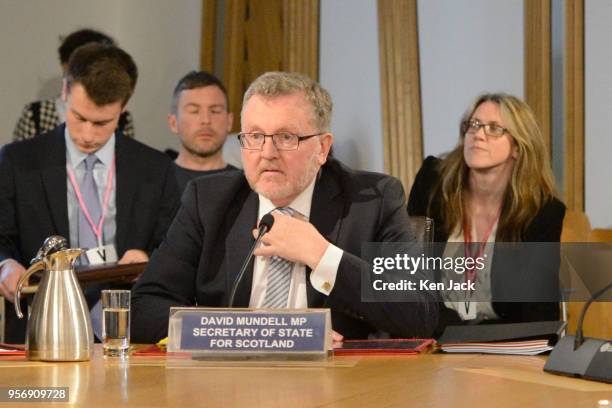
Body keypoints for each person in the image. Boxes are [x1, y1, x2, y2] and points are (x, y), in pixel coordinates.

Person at [131, 71, 438, 343]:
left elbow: (420, 315)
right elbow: (144, 307)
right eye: (255, 136)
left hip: (339, 383)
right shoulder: (209, 201)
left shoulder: (373, 200)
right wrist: (253, 332)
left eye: (286, 137)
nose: (267, 153)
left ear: (322, 147)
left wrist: (322, 255)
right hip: (228, 384)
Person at [0, 43, 180, 342]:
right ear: (65, 93)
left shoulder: (155, 168)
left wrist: (147, 258)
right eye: (79, 117)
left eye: (101, 123)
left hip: (128, 326)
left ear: (123, 107)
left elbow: (175, 245)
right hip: (42, 322)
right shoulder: (18, 162)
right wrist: (5, 265)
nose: (87, 135)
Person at [408, 93, 565, 334]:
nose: (478, 135)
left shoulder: (541, 213)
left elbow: (539, 316)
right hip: (433, 338)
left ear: (517, 146)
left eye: (494, 129)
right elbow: (408, 280)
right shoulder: (433, 185)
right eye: (474, 125)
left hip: (502, 347)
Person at [13, 28, 135, 141]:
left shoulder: (122, 118)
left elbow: (126, 160)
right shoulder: (36, 115)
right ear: (65, 65)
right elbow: (18, 159)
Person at [168, 71, 239, 194]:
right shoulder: (154, 186)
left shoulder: (247, 188)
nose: (206, 120)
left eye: (215, 111)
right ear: (173, 123)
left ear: (229, 121)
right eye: (194, 111)